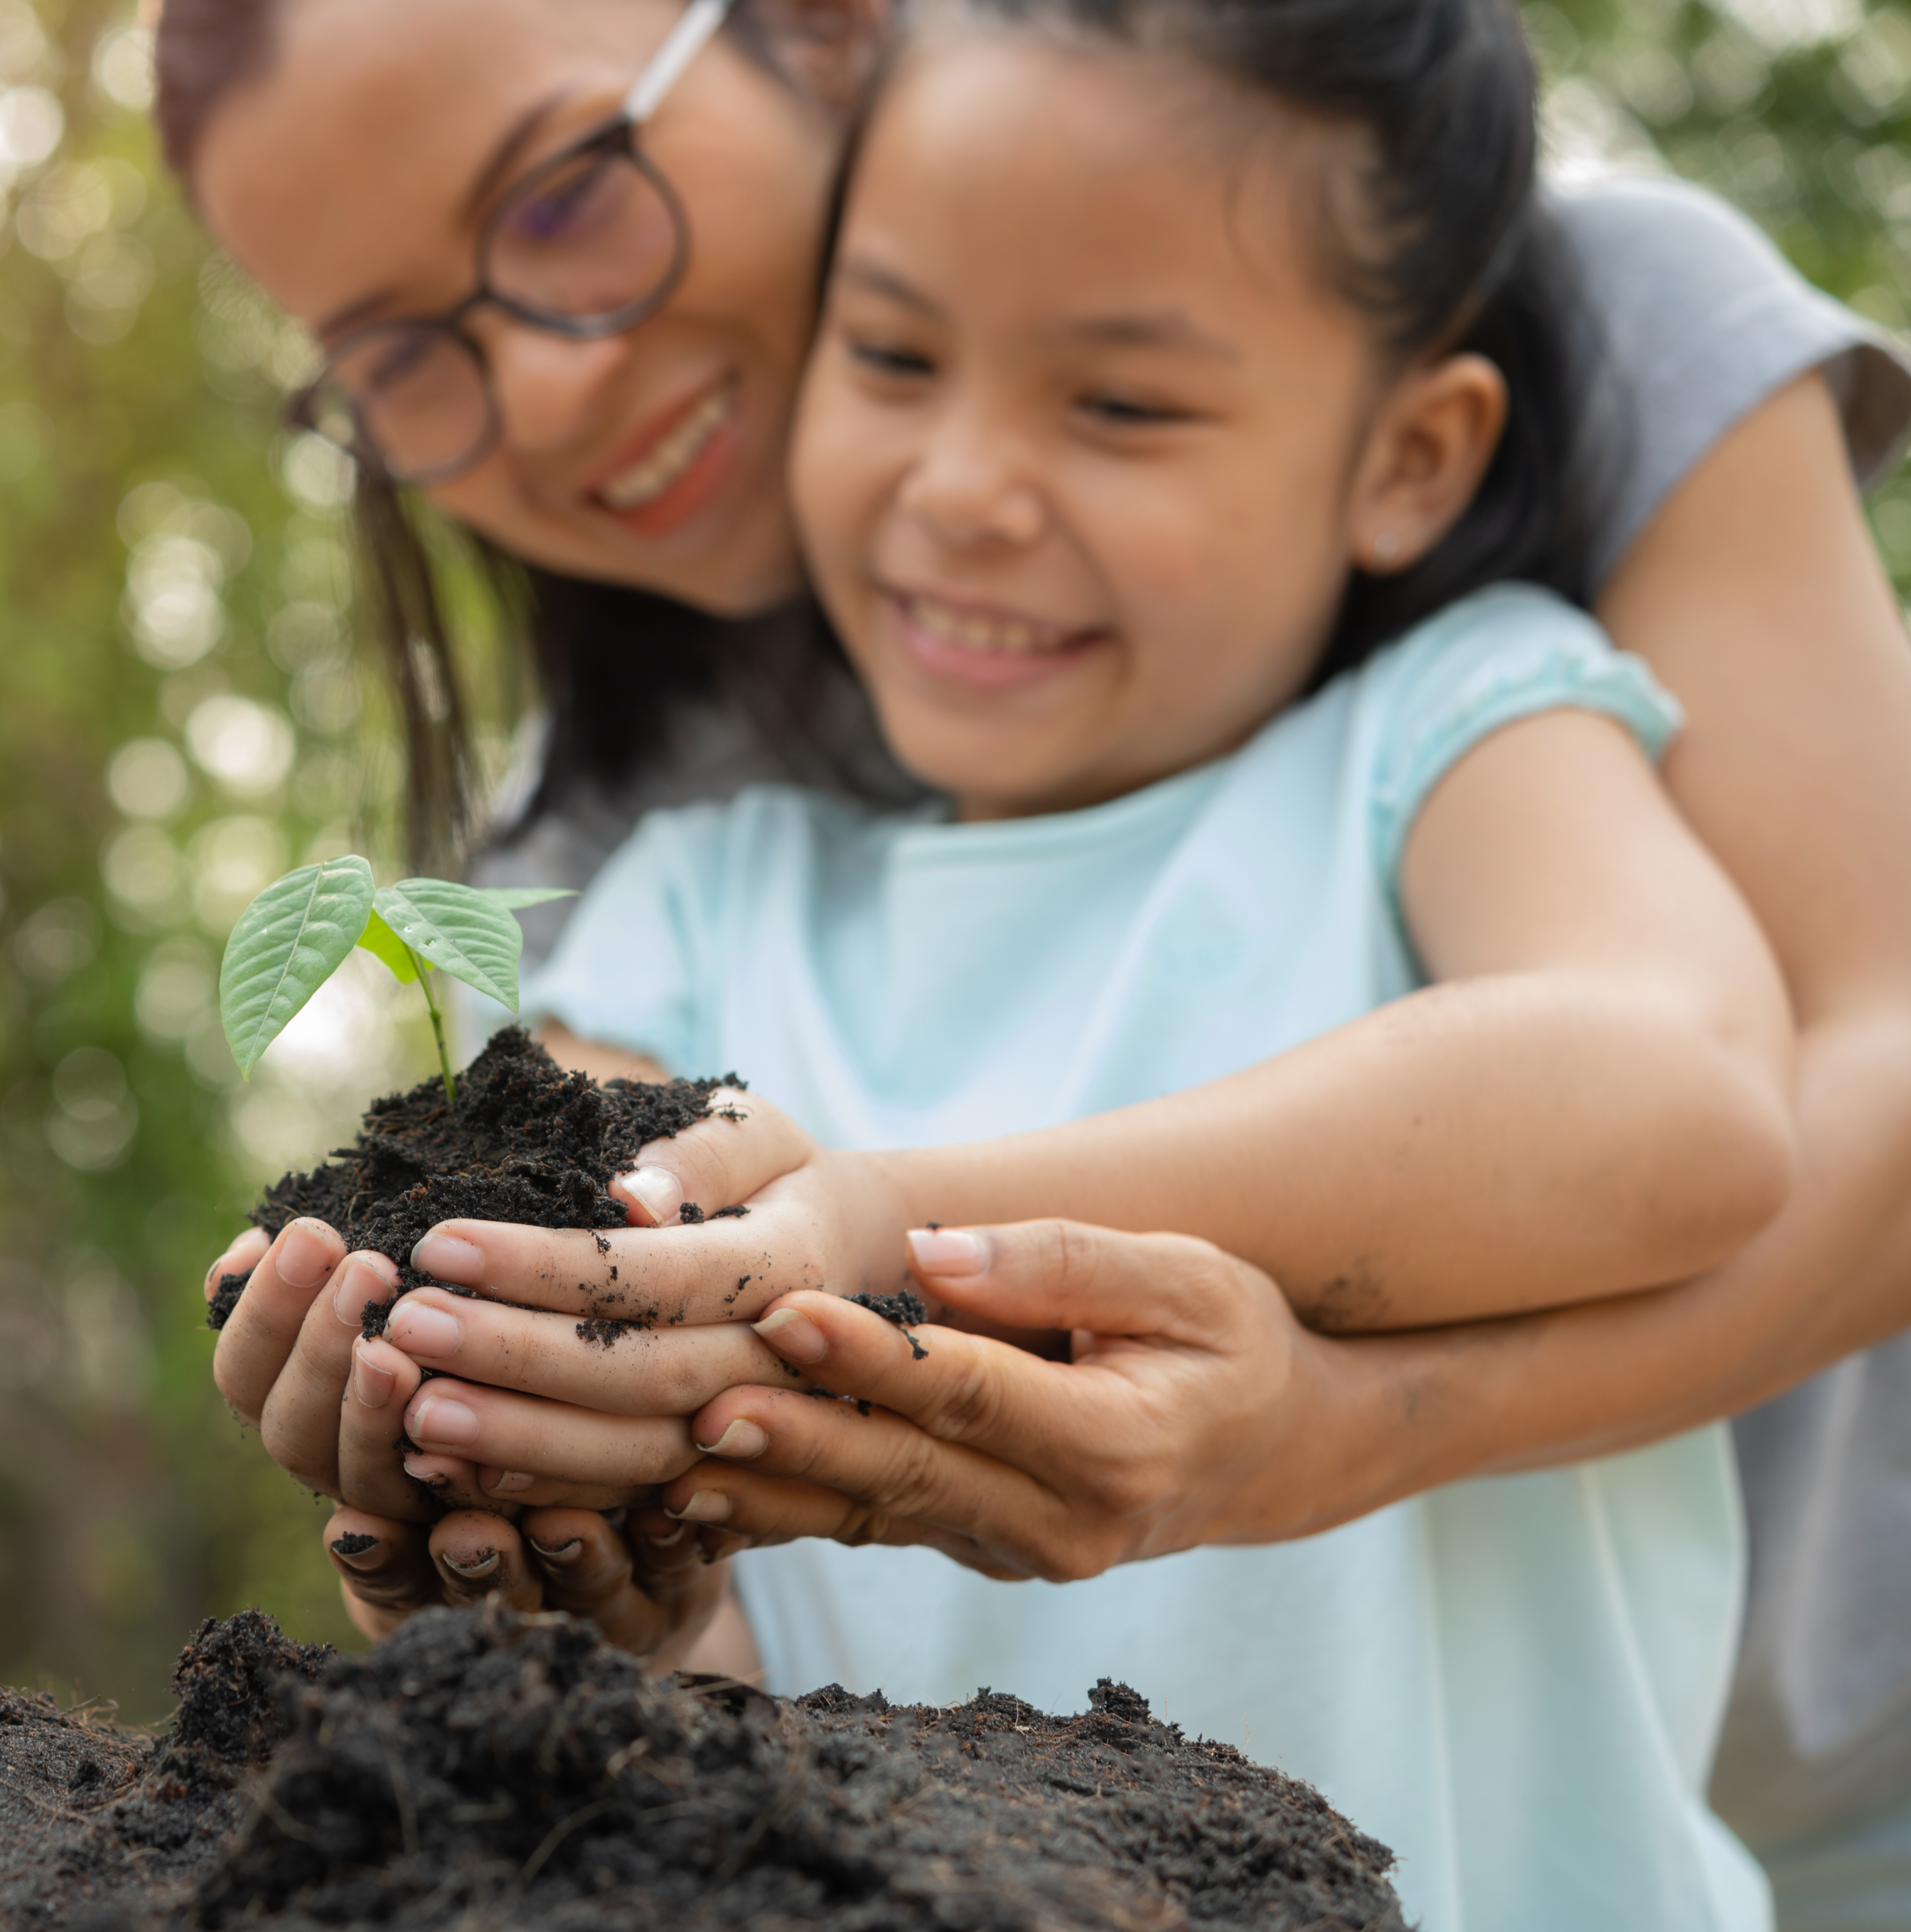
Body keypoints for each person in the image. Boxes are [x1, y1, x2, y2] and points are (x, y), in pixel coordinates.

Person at [157, 0, 1911, 1919]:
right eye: (897, 355)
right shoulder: (655, 911)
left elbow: (1693, 1094)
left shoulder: (1464, 727)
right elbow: (699, 1646)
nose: (970, 490)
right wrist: (533, 1517)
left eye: (569, 198)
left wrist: (893, 1219)